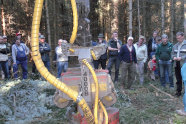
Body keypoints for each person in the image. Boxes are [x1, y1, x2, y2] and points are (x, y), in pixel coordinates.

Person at [172, 32, 186, 96]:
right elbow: (172, 54)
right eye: (177, 38)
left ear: (183, 36)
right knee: (178, 78)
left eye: (179, 38)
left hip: (184, 64)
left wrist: (182, 58)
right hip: (176, 64)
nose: (178, 39)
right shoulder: (175, 45)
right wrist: (173, 57)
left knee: (185, 78)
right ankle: (178, 92)